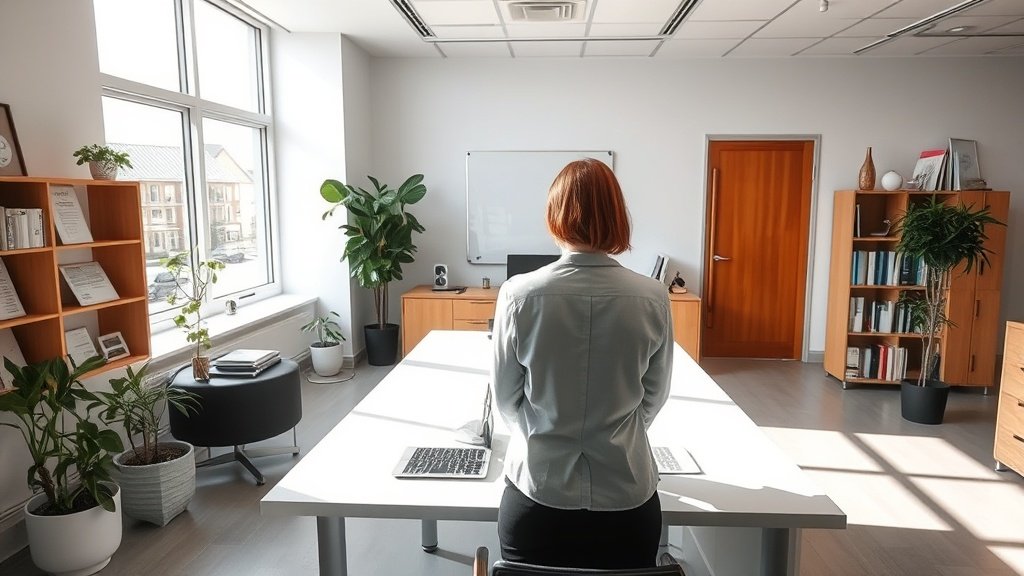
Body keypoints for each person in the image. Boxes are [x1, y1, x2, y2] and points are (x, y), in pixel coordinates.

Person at [491, 158, 674, 569]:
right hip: (628, 504)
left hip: (537, 501)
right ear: (617, 216)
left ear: (554, 214)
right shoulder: (653, 296)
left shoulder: (519, 295)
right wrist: (614, 434)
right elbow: (654, 397)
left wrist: (544, 435)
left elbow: (506, 399)